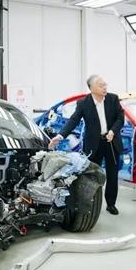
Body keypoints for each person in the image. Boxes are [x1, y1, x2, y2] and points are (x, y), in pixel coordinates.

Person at [49, 75, 124, 215]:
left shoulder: (113, 99)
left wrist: (113, 131)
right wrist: (60, 136)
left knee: (113, 175)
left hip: (111, 142)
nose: (105, 87)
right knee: (92, 176)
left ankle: (111, 204)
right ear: (92, 88)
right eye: (101, 85)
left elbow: (120, 118)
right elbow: (73, 120)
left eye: (105, 84)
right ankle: (92, 203)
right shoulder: (84, 103)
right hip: (94, 144)